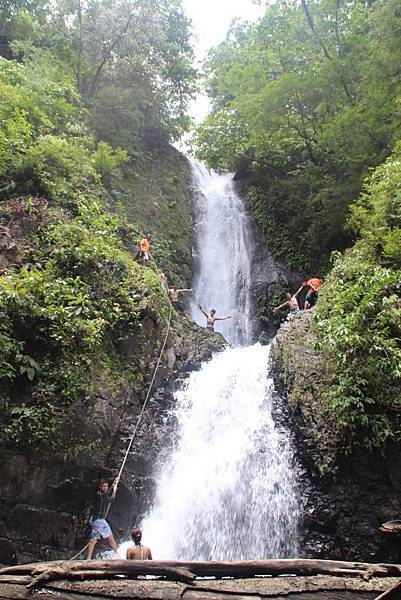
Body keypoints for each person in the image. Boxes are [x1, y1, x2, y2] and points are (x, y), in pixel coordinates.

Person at [86, 477, 120, 560]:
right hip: (99, 521)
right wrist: (115, 489)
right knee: (110, 537)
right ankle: (118, 555)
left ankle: (88, 558)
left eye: (106, 486)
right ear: (100, 487)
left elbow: (107, 494)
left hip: (94, 520)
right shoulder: (102, 496)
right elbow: (112, 499)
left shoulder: (99, 494)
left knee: (93, 540)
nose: (105, 488)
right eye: (103, 486)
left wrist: (113, 484)